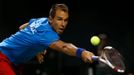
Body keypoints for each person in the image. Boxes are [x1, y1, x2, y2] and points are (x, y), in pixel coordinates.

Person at [0, 3, 95, 75]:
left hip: (15, 62)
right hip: (3, 57)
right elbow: (64, 47)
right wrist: (82, 52)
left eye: (65, 20)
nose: (63, 24)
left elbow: (22, 27)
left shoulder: (41, 20)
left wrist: (37, 49)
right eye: (59, 19)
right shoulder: (48, 34)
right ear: (51, 19)